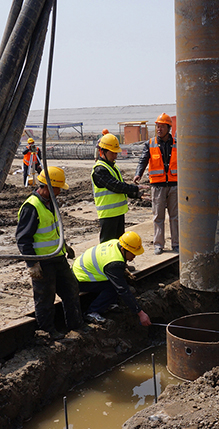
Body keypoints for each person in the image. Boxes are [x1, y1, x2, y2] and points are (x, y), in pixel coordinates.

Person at [15, 167, 85, 339]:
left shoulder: (51, 202)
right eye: (57, 188)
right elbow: (23, 239)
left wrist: (65, 246)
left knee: (71, 289)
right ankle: (47, 332)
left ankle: (76, 325)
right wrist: (32, 264)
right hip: (43, 262)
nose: (60, 192)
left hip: (58, 257)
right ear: (46, 187)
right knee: (45, 298)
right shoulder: (31, 207)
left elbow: (53, 229)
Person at [73, 231, 152, 326]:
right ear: (123, 249)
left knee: (117, 281)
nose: (134, 256)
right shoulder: (114, 264)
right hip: (80, 278)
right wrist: (140, 313)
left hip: (83, 270)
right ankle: (92, 312)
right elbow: (122, 290)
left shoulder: (116, 243)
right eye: (133, 253)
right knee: (113, 287)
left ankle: (108, 303)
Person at [134, 113, 178, 255]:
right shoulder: (150, 143)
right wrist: (138, 174)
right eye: (157, 126)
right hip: (158, 186)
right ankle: (158, 244)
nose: (159, 129)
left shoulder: (177, 143)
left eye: (162, 126)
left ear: (168, 128)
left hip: (174, 185)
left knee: (175, 216)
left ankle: (176, 244)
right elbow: (143, 160)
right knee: (158, 217)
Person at [93, 132, 143, 243]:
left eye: (116, 153)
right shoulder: (100, 170)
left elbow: (121, 187)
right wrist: (135, 188)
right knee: (107, 245)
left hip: (118, 213)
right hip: (108, 214)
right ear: (103, 152)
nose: (115, 155)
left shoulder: (113, 167)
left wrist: (137, 195)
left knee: (118, 243)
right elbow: (116, 186)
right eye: (113, 153)